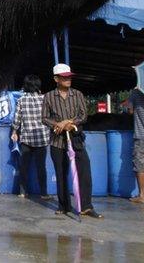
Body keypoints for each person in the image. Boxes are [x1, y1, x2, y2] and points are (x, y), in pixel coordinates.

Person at [42, 63, 103, 218]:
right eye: (64, 77)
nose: (68, 80)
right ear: (56, 79)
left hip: (75, 139)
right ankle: (64, 206)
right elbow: (44, 118)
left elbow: (84, 115)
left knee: (84, 171)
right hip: (57, 141)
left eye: (69, 77)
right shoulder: (49, 97)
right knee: (61, 173)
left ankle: (86, 206)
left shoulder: (78, 94)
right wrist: (57, 124)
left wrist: (69, 122)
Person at [11, 74, 51, 199]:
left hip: (27, 139)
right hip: (42, 138)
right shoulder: (45, 99)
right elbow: (50, 118)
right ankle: (43, 193)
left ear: (26, 86)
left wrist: (14, 132)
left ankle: (23, 191)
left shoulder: (21, 100)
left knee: (24, 166)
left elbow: (17, 118)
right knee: (41, 167)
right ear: (38, 86)